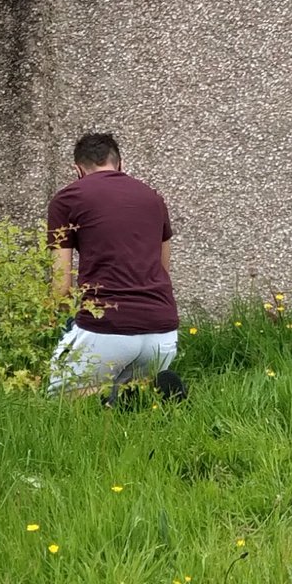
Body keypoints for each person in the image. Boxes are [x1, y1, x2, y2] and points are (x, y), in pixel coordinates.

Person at [47, 131, 183, 402]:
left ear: (77, 170)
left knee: (58, 395)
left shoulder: (67, 199)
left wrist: (57, 320)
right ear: (119, 164)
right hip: (163, 333)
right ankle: (144, 389)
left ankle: (121, 393)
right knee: (121, 378)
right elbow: (163, 269)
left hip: (108, 328)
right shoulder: (153, 198)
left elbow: (61, 286)